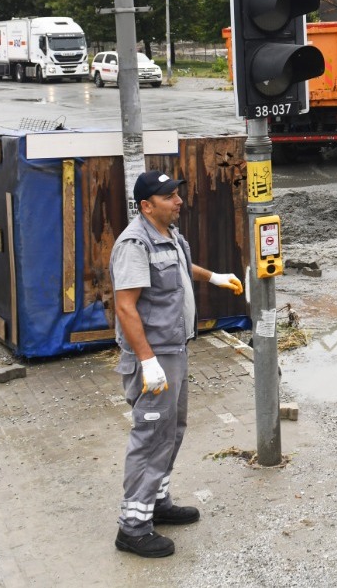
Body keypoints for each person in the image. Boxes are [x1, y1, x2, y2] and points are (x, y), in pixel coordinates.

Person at [111, 171, 243, 558]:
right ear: (147, 205)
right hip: (155, 356)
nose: (178, 200)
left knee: (172, 430)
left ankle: (156, 501)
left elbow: (182, 270)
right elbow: (125, 305)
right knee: (151, 435)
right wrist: (147, 361)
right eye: (168, 196)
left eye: (177, 194)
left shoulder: (169, 236)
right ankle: (132, 527)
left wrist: (214, 277)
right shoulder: (135, 243)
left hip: (176, 350)